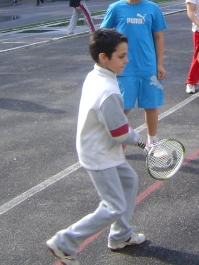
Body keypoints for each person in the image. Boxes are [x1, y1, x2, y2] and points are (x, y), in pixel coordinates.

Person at [45, 29, 145, 263]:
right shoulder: (107, 91)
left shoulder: (97, 75)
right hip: (99, 154)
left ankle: (120, 236)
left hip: (102, 148)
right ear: (104, 57)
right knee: (113, 207)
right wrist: (138, 140)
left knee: (129, 181)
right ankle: (64, 242)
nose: (127, 60)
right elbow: (120, 132)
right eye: (121, 56)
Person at [100, 0, 167, 147]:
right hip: (124, 68)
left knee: (151, 106)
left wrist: (159, 64)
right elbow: (103, 35)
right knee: (124, 107)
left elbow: (158, 37)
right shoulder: (116, 8)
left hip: (148, 67)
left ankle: (152, 142)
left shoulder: (152, 8)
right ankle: (115, 142)